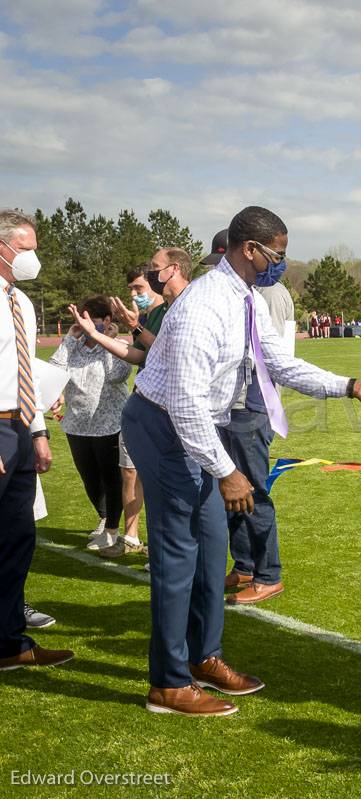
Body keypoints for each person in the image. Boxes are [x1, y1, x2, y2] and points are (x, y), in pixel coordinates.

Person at [123, 205, 361, 716]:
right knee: (178, 555)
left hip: (198, 426)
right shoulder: (204, 305)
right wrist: (227, 472)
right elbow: (184, 404)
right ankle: (167, 684)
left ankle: (204, 657)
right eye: (278, 254)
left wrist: (350, 386)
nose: (281, 264)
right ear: (250, 250)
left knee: (212, 547)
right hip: (165, 427)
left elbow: (280, 363)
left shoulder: (245, 298)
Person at [71, 252, 192, 558]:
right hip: (143, 405)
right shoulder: (151, 315)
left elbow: (167, 351)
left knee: (164, 481)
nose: (135, 293)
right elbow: (137, 356)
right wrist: (94, 334)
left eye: (140, 287)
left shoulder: (177, 309)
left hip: (170, 406)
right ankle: (131, 537)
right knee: (131, 473)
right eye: (133, 289)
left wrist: (135, 329)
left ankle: (164, 547)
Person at [200, 229, 296, 606]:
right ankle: (243, 565)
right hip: (239, 405)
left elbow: (268, 358)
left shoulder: (264, 295)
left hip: (251, 406)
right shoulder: (257, 292)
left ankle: (268, 573)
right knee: (234, 492)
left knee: (253, 490)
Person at [0, 208, 72, 669]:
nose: (33, 258)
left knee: (16, 538)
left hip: (20, 428)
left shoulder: (21, 301)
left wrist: (39, 427)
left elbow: (19, 367)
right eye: (27, 249)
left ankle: (9, 643)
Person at [50, 296, 132, 553]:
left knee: (111, 478)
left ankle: (112, 527)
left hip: (109, 422)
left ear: (106, 320)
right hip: (77, 423)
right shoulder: (74, 345)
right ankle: (103, 517)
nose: (86, 325)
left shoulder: (116, 345)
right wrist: (69, 337)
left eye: (91, 320)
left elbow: (118, 375)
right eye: (81, 320)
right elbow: (54, 370)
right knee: (90, 479)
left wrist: (105, 341)